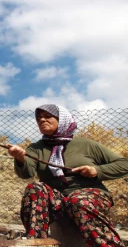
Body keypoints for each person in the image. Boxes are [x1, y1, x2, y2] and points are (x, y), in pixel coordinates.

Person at [7, 104, 128, 246]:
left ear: (62, 120)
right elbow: (27, 173)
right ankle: (38, 242)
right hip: (56, 201)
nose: (42, 120)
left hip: (89, 196)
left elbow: (124, 164)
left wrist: (97, 171)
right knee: (35, 188)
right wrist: (20, 158)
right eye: (39, 118)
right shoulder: (36, 148)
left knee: (77, 201)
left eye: (47, 116)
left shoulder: (85, 144)